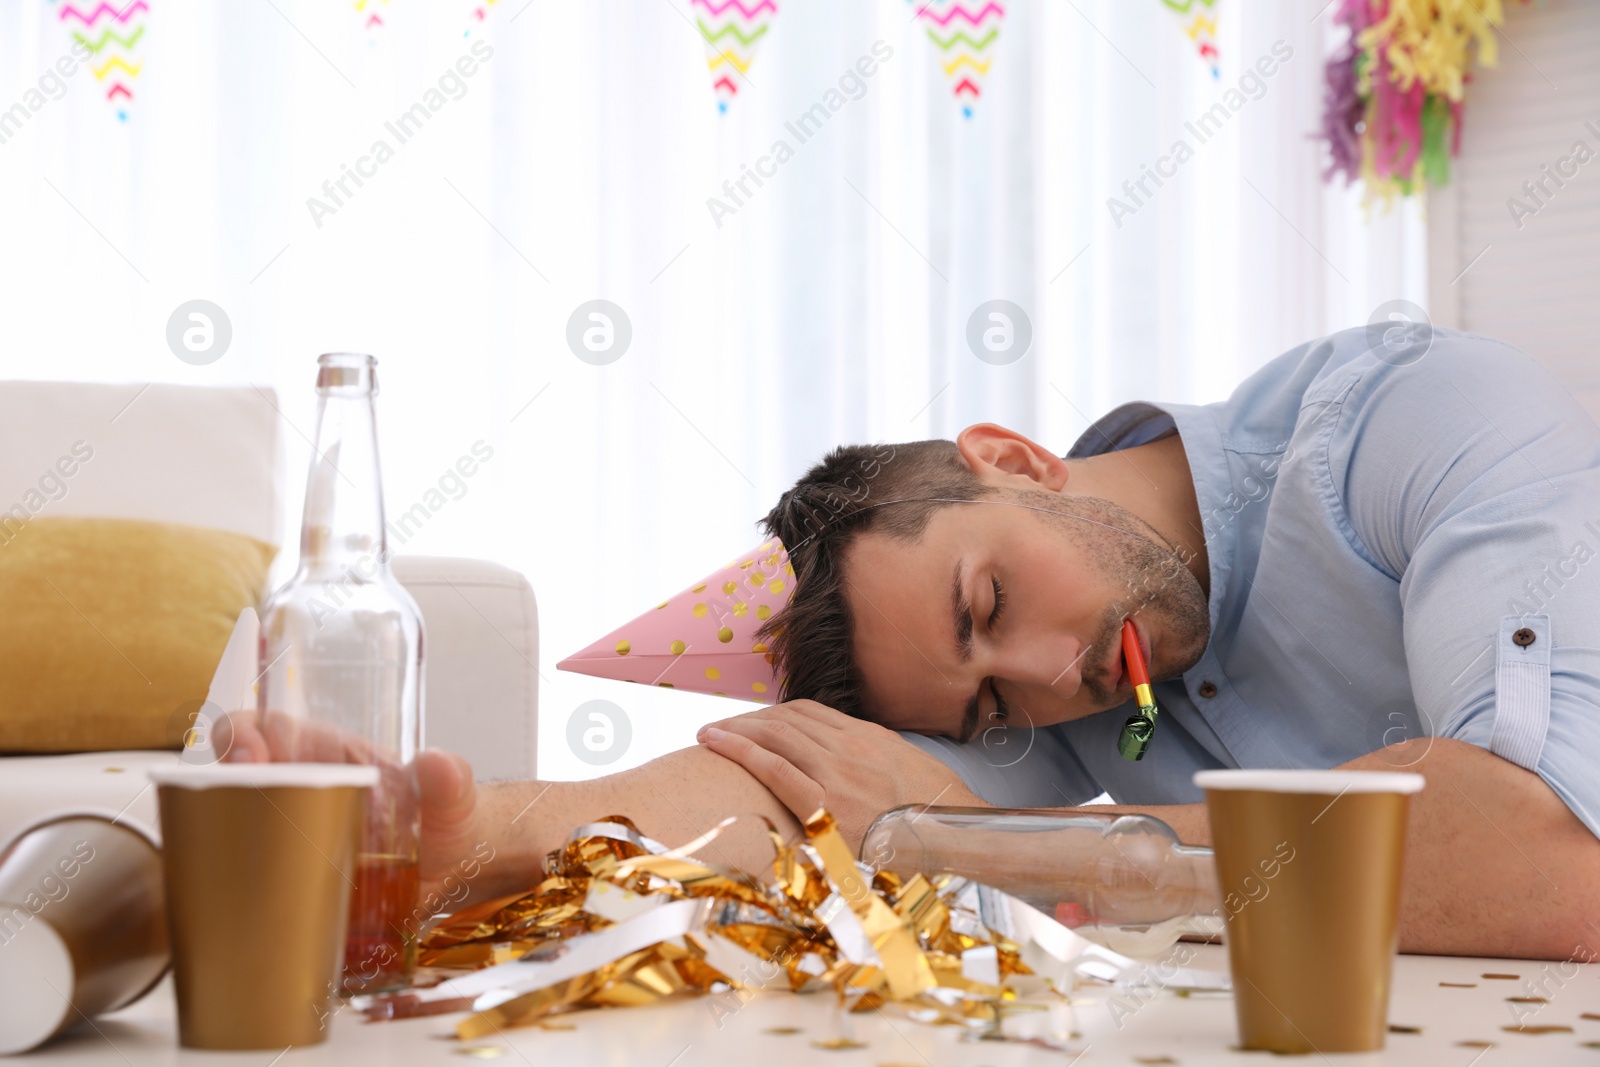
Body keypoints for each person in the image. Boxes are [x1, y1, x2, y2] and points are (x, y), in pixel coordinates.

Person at [234, 324, 1600, 961]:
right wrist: (476, 836)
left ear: (1012, 460)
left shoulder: (1413, 426)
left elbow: (1557, 867)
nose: (1057, 678)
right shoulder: (1070, 693)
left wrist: (980, 836)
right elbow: (805, 792)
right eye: (991, 709)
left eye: (990, 604)